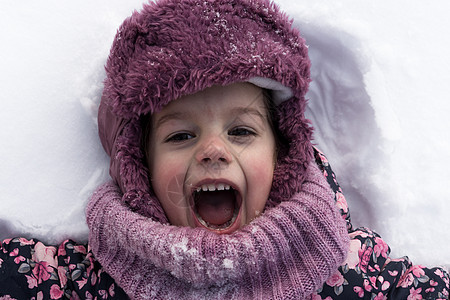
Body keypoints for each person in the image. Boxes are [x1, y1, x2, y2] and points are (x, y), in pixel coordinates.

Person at [0, 0, 448, 299]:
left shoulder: (344, 268)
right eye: (180, 136)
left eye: (241, 132)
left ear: (282, 158)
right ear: (141, 169)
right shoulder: (91, 277)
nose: (213, 150)